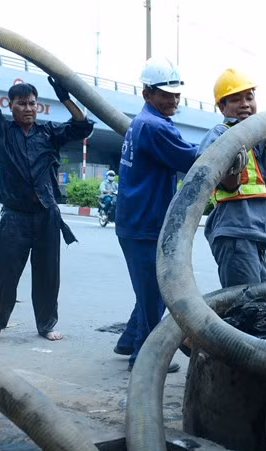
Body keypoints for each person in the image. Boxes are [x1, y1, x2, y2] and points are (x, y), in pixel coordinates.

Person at [0, 40, 94, 344]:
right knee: (4, 275)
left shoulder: (49, 133)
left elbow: (82, 128)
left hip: (47, 216)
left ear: (38, 105)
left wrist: (65, 97)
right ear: (10, 106)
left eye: (32, 103)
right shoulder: (2, 131)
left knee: (48, 274)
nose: (28, 108)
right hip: (15, 217)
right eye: (21, 103)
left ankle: (46, 324)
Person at [113, 56, 215, 373]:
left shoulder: (145, 123)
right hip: (144, 223)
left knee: (148, 289)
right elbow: (193, 160)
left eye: (176, 93)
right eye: (165, 93)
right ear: (147, 94)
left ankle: (129, 341)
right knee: (155, 294)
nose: (173, 99)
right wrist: (222, 132)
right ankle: (144, 358)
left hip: (136, 220)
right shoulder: (155, 127)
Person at [199, 68, 266, 288]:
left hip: (256, 232)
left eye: (249, 97)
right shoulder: (219, 135)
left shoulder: (263, 139)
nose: (245, 104)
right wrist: (233, 169)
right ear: (222, 107)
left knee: (264, 304)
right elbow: (220, 182)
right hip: (235, 231)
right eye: (236, 99)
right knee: (246, 306)